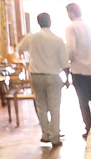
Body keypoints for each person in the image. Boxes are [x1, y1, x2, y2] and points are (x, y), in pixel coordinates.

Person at [17, 12, 69, 147]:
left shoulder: (31, 38)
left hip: (36, 76)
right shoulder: (57, 39)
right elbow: (64, 62)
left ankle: (45, 134)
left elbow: (19, 48)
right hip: (53, 75)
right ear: (50, 22)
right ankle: (55, 137)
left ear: (38, 23)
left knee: (41, 106)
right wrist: (67, 78)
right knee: (55, 107)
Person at [64, 1, 91, 136]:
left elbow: (71, 48)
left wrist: (68, 60)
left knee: (83, 101)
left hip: (79, 69)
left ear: (71, 13)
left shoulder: (71, 28)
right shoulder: (89, 26)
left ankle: (89, 128)